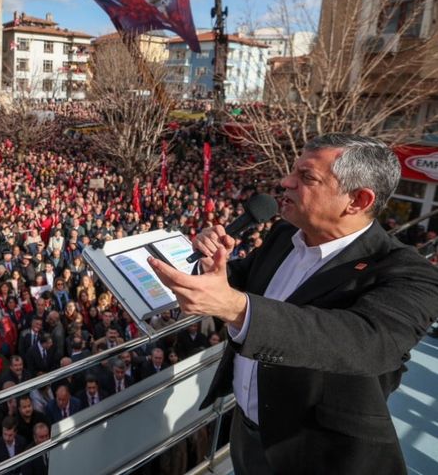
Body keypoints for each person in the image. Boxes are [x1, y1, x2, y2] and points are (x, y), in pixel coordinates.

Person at [148, 134, 438, 474]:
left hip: (321, 456)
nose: (285, 182)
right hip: (246, 431)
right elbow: (238, 281)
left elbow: (365, 341)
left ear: (358, 200)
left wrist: (237, 309)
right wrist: (210, 266)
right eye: (292, 171)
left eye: (306, 176)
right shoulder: (285, 235)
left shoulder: (410, 274)